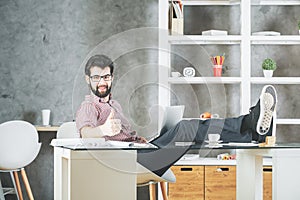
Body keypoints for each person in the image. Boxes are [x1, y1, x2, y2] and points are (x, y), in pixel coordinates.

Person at [76, 54, 277, 176]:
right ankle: (250, 125)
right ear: (88, 79)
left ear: (111, 77)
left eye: (106, 76)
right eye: (96, 77)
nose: (102, 81)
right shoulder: (88, 106)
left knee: (188, 126)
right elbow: (85, 134)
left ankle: (251, 132)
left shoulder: (114, 104)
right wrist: (103, 129)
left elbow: (124, 137)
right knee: (186, 128)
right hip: (131, 162)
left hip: (143, 151)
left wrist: (139, 140)